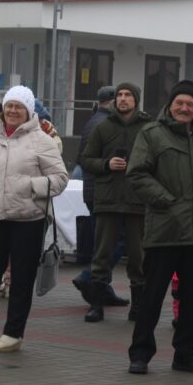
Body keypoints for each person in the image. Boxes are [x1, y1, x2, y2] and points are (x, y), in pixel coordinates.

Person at [126, 79, 193, 375]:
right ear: (170, 105)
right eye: (179, 103)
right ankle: (140, 353)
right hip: (164, 229)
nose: (184, 108)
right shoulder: (151, 135)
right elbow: (137, 175)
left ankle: (185, 354)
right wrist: (165, 201)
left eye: (190, 104)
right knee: (152, 296)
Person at [0, 86, 69, 352]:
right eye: (9, 106)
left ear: (28, 111)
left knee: (21, 278)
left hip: (27, 220)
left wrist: (29, 188)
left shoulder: (41, 140)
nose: (12, 111)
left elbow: (60, 179)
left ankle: (13, 332)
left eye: (18, 107)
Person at [79, 82, 151, 322]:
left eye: (128, 95)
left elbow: (159, 161)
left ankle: (138, 308)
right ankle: (96, 305)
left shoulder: (148, 128)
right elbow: (86, 159)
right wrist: (106, 164)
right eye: (119, 95)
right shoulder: (103, 126)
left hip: (137, 200)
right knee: (101, 254)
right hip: (108, 199)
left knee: (138, 257)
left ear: (136, 99)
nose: (122, 99)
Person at [71, 85, 129, 307]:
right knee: (115, 241)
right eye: (121, 97)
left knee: (103, 241)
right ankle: (90, 278)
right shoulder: (106, 124)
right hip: (103, 192)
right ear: (114, 101)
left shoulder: (92, 121)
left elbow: (80, 157)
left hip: (92, 189)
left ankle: (102, 289)